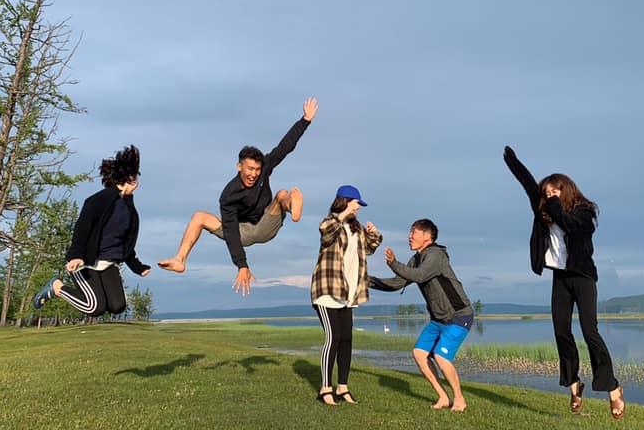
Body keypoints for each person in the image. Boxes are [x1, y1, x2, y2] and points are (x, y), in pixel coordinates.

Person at [502, 145, 625, 420]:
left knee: (589, 331)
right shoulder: (545, 207)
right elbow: (527, 184)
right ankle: (573, 385)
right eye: (546, 194)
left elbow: (569, 226)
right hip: (560, 278)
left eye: (553, 192)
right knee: (561, 331)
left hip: (582, 277)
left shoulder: (585, 212)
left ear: (566, 189)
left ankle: (613, 388)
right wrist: (513, 162)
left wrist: (555, 204)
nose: (548, 197)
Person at [158, 97, 317, 295]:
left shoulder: (264, 168)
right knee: (199, 216)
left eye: (257, 169)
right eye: (250, 169)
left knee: (281, 194)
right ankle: (180, 259)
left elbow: (284, 147)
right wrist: (242, 265)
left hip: (266, 223)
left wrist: (305, 120)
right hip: (242, 233)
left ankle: (292, 206)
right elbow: (231, 232)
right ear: (239, 166)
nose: (254, 174)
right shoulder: (229, 195)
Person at [32, 145, 151, 316]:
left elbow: (125, 243)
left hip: (108, 264)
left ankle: (85, 291)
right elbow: (82, 227)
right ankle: (57, 287)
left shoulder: (130, 210)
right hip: (85, 262)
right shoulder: (99, 200)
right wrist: (76, 255)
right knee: (94, 307)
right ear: (130, 178)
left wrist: (137, 267)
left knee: (117, 306)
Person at [369, 218, 473, 413]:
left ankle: (459, 399)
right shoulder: (416, 259)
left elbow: (420, 275)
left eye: (413, 232)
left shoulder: (436, 255)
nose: (409, 236)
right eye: (410, 232)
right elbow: (397, 283)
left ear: (427, 236)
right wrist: (368, 280)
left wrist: (393, 263)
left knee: (441, 357)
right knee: (419, 353)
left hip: (459, 314)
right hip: (438, 318)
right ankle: (443, 397)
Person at [310, 185, 382, 406]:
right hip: (326, 291)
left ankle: (343, 387)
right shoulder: (330, 221)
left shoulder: (356, 227)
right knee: (333, 338)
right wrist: (343, 215)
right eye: (356, 204)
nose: (359, 208)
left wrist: (374, 234)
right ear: (346, 201)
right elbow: (326, 232)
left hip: (347, 293)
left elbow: (369, 249)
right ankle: (325, 389)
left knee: (346, 340)